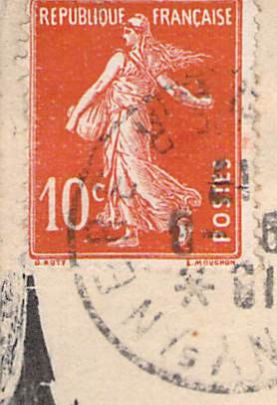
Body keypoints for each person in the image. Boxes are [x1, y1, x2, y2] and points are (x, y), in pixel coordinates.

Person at [64, 15, 214, 248]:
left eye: (127, 31)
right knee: (121, 175)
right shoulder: (147, 59)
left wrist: (74, 117)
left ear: (139, 33)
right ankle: (131, 232)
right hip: (125, 121)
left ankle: (177, 211)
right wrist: (198, 102)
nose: (123, 35)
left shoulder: (122, 58)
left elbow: (98, 88)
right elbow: (173, 90)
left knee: (136, 174)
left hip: (129, 122)